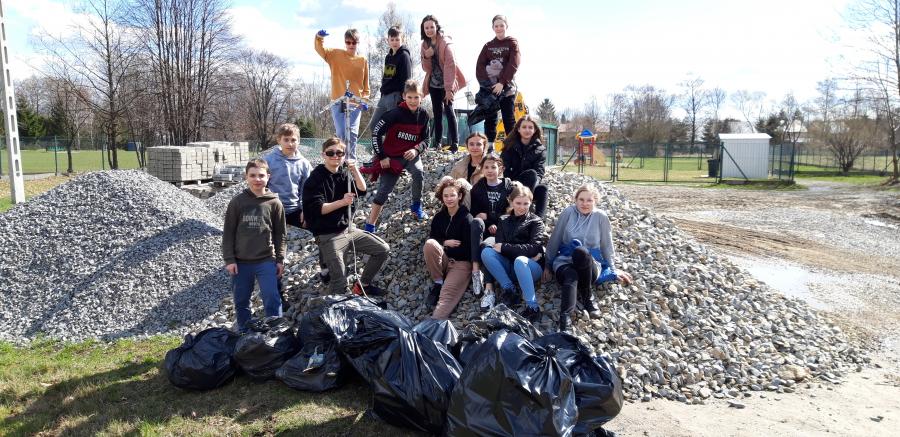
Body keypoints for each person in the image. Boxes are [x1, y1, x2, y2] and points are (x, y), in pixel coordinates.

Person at [302, 137, 389, 296]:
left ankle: (363, 285)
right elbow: (318, 209)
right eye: (331, 153)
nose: (335, 156)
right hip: (328, 234)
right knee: (340, 281)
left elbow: (362, 190)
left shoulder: (343, 173)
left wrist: (355, 170)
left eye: (339, 153)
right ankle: (334, 306)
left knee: (382, 249)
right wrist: (342, 202)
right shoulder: (315, 179)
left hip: (349, 229)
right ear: (323, 155)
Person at [543, 184, 634, 333]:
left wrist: (613, 269)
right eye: (581, 199)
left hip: (590, 265)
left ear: (595, 201)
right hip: (565, 261)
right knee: (571, 275)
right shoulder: (568, 213)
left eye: (589, 200)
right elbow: (555, 238)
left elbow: (606, 245)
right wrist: (547, 264)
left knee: (581, 252)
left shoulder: (601, 217)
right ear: (575, 200)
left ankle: (587, 296)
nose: (585, 204)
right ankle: (565, 321)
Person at [222, 159, 286, 331]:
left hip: (266, 260)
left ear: (268, 177)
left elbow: (280, 234)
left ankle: (276, 334)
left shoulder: (274, 203)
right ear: (246, 177)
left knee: (272, 298)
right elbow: (228, 233)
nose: (257, 179)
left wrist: (280, 259)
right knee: (241, 300)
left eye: (261, 175)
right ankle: (244, 333)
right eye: (253, 175)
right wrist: (229, 259)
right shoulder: (237, 202)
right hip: (241, 262)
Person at [366, 79, 430, 231]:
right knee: (383, 191)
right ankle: (370, 225)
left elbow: (427, 139)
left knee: (419, 172)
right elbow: (376, 134)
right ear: (403, 96)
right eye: (410, 97)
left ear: (421, 97)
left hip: (410, 155)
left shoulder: (424, 115)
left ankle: (416, 206)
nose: (413, 101)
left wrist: (416, 150)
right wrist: (382, 156)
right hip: (391, 158)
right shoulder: (393, 114)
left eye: (416, 97)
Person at [262, 123, 313, 308]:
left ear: (299, 141)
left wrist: (306, 211)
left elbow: (307, 190)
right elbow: (261, 186)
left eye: (294, 140)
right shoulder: (269, 161)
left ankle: (326, 270)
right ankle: (277, 293)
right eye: (286, 140)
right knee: (275, 251)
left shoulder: (304, 163)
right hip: (273, 210)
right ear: (279, 140)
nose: (290, 143)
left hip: (294, 210)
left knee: (323, 229)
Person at [480, 182, 545, 324]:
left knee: (520, 260)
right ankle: (510, 290)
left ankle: (532, 307)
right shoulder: (503, 220)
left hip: (530, 268)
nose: (522, 207)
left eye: (526, 203)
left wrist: (507, 248)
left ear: (531, 203)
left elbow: (534, 248)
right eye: (518, 203)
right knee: (486, 252)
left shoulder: (536, 221)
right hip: (510, 266)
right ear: (511, 201)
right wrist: (522, 251)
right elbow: (498, 247)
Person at [315, 28, 370, 159]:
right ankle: (340, 161)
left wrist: (364, 99)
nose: (351, 45)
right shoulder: (335, 55)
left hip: (355, 103)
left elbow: (366, 84)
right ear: (345, 42)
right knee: (341, 133)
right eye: (348, 42)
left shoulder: (362, 60)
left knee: (352, 133)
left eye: (354, 42)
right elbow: (320, 50)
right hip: (337, 102)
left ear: (358, 43)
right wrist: (319, 37)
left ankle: (351, 162)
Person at [423, 177, 473, 319]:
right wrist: (445, 242)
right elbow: (433, 238)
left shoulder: (467, 219)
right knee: (430, 244)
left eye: (452, 195)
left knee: (447, 296)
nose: (449, 199)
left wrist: (447, 249)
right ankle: (438, 282)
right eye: (446, 196)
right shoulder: (439, 217)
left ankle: (434, 323)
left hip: (461, 263)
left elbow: (468, 250)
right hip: (444, 259)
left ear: (460, 196)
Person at [468, 153, 513, 309]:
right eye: (486, 167)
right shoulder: (477, 188)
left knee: (488, 247)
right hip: (486, 229)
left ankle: (489, 289)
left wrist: (493, 218)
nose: (489, 170)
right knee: (477, 225)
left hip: (504, 229)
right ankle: (475, 271)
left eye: (493, 167)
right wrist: (488, 223)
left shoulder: (509, 187)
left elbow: (512, 212)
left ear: (501, 169)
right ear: (481, 169)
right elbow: (475, 213)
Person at [420, 14, 466, 152]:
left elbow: (450, 65)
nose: (429, 30)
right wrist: (426, 56)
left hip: (447, 83)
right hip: (433, 84)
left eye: (431, 27)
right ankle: (438, 143)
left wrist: (448, 89)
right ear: (423, 29)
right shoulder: (424, 45)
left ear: (436, 27)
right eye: (426, 28)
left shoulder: (445, 42)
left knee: (449, 110)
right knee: (437, 112)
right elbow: (426, 68)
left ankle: (455, 143)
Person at [475, 14, 520, 146]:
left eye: (501, 25)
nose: (499, 28)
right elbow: (480, 66)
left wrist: (502, 82)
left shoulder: (512, 43)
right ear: (493, 28)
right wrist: (487, 85)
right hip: (490, 88)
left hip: (506, 87)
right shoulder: (488, 46)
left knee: (508, 118)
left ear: (506, 26)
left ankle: (513, 148)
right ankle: (489, 147)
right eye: (496, 26)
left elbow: (514, 63)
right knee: (490, 118)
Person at [365, 25, 412, 136]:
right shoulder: (388, 57)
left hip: (396, 96)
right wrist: (382, 93)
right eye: (392, 39)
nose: (395, 42)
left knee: (393, 127)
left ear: (402, 39)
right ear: (388, 40)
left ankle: (392, 147)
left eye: (397, 39)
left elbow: (407, 78)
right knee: (375, 125)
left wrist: (404, 97)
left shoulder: (404, 56)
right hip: (384, 96)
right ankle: (380, 147)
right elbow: (386, 77)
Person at [502, 114, 548, 217]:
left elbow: (539, 172)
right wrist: (513, 184)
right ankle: (519, 209)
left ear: (535, 130)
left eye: (530, 127)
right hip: (512, 183)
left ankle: (538, 221)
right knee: (531, 174)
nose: (527, 130)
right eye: (524, 127)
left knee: (542, 188)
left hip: (531, 185)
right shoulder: (509, 146)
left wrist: (527, 190)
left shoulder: (540, 150)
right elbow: (504, 168)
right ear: (518, 129)